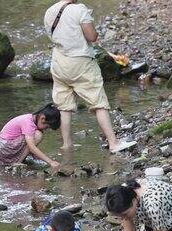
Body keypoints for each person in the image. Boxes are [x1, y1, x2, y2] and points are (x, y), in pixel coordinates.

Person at [43, 0, 136, 153]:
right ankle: (113, 143)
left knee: (64, 106)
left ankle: (67, 145)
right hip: (80, 61)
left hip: (58, 62)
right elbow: (92, 36)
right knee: (98, 102)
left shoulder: (49, 11)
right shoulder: (79, 9)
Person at [0, 103, 61, 167]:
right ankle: (18, 162)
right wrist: (50, 162)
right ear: (42, 118)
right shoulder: (28, 123)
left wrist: (34, 153)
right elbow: (32, 147)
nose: (45, 129)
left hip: (3, 147)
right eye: (47, 127)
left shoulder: (29, 118)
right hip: (6, 147)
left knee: (35, 136)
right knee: (38, 134)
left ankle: (18, 160)